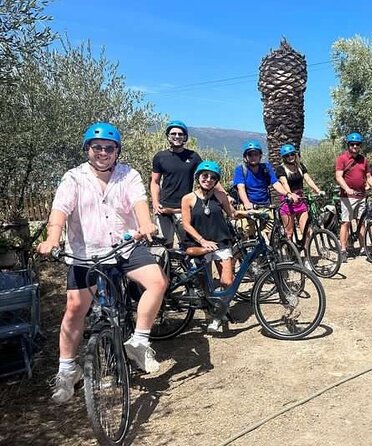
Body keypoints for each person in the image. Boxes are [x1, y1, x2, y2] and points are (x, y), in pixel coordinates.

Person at [37, 122, 168, 403]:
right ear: (87, 149)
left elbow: (139, 202)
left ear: (117, 151)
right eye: (97, 147)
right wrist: (52, 238)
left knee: (157, 282)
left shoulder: (128, 175)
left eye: (110, 148)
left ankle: (139, 343)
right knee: (75, 309)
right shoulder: (73, 178)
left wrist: (145, 223)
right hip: (87, 252)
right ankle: (67, 371)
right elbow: (59, 210)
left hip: (124, 246)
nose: (103, 153)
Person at [181, 160, 237, 333]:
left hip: (221, 243)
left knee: (227, 281)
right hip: (200, 244)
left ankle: (220, 311)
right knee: (205, 284)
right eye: (205, 176)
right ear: (198, 177)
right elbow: (186, 224)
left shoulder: (220, 197)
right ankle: (213, 313)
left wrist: (251, 213)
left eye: (213, 177)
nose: (209, 179)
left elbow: (232, 214)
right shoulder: (188, 198)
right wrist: (202, 241)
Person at [150, 120, 202, 248]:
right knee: (163, 247)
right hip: (164, 208)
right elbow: (155, 182)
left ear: (185, 137)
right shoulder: (160, 157)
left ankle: (190, 268)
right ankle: (165, 268)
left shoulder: (193, 157)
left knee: (189, 244)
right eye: (173, 133)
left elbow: (206, 177)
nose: (177, 136)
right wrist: (155, 202)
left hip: (184, 208)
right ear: (168, 136)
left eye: (180, 134)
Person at [335, 132, 372, 261]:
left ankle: (362, 248)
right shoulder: (342, 158)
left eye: (357, 144)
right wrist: (347, 189)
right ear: (348, 145)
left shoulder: (363, 160)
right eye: (352, 144)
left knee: (361, 223)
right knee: (346, 222)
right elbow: (338, 176)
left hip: (361, 196)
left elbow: (369, 176)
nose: (355, 146)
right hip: (347, 197)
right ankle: (343, 249)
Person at [275, 143, 324, 241]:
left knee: (306, 230)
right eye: (287, 156)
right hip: (287, 202)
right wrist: (290, 194)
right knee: (289, 233)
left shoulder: (300, 167)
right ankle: (290, 253)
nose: (290, 157)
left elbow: (308, 180)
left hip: (300, 200)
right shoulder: (281, 169)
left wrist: (318, 190)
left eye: (292, 154)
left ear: (295, 154)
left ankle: (307, 254)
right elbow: (284, 183)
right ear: (284, 157)